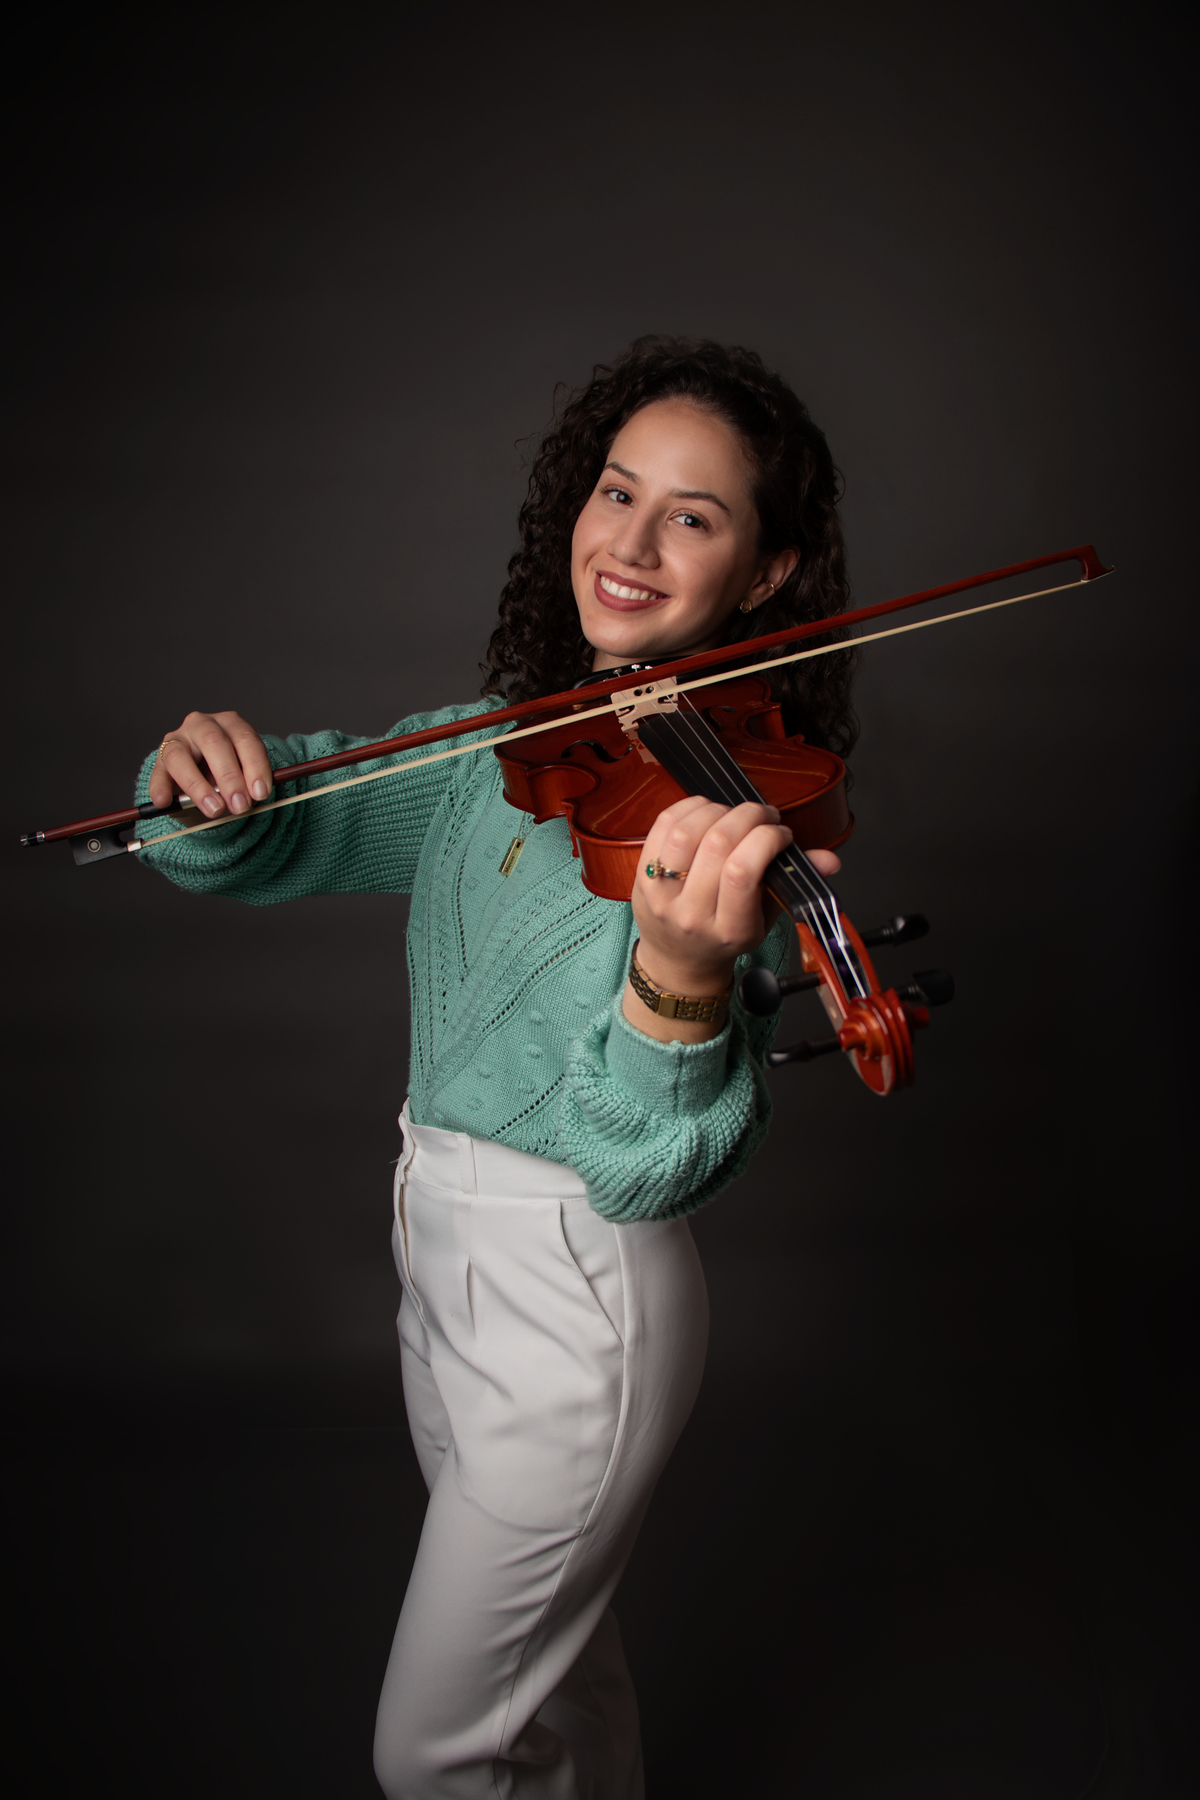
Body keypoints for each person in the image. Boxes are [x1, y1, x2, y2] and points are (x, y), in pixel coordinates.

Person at [139, 336, 857, 1799]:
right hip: (438, 1262)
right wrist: (203, 787)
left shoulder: (731, 831)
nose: (632, 546)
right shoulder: (501, 751)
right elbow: (283, 828)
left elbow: (649, 1160)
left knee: (436, 1750)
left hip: (577, 1299)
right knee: (557, 1677)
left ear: (768, 573)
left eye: (693, 517)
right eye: (617, 493)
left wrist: (679, 978)